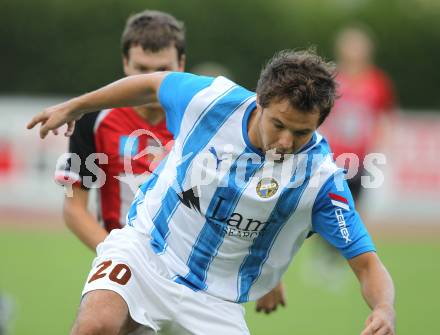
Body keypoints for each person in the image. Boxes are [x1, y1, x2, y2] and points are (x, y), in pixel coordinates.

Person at [27, 49, 396, 335]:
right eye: (279, 124)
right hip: (146, 251)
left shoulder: (321, 178)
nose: (286, 141)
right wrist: (75, 105)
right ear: (259, 102)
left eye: (301, 133)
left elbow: (366, 264)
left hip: (216, 298)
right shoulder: (210, 101)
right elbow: (153, 83)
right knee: (96, 325)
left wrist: (383, 308)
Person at [54, 8, 283, 316]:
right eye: (141, 68)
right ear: (125, 63)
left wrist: (263, 270)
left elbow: (243, 202)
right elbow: (73, 208)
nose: (149, 78)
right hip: (126, 268)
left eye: (162, 68)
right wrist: (121, 255)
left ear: (181, 65)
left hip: (198, 274)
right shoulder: (93, 120)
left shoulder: (210, 118)